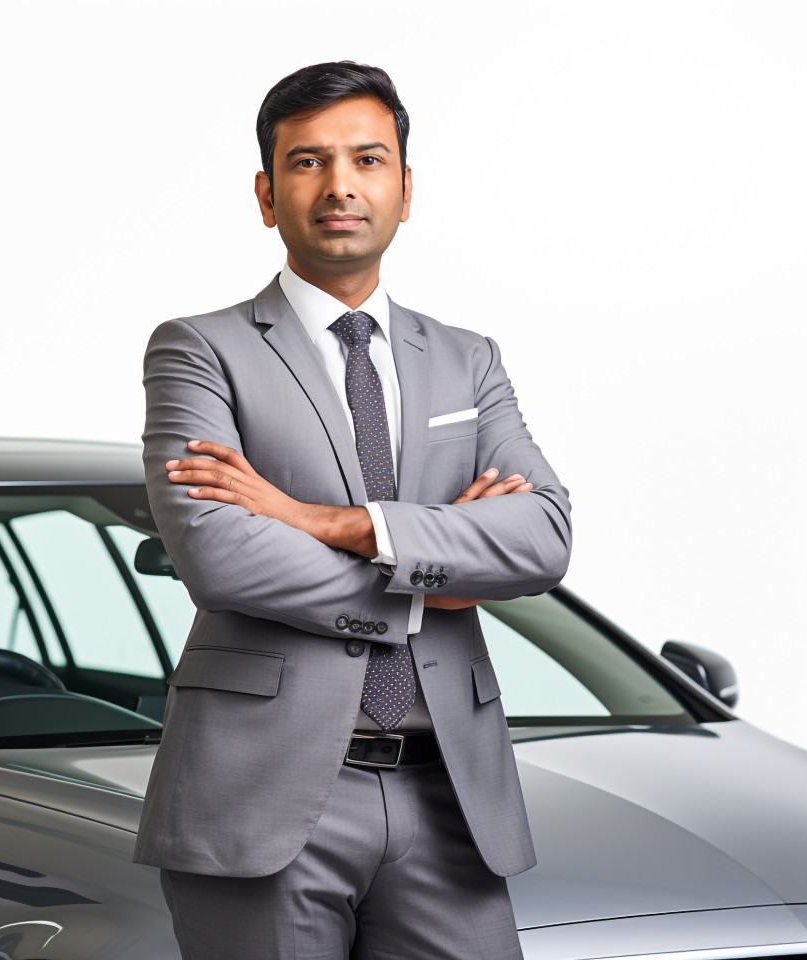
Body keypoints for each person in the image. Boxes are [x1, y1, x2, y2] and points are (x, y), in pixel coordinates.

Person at [132, 61, 572, 960]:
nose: (340, 186)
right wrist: (433, 574)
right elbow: (220, 556)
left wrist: (321, 518)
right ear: (267, 193)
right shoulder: (198, 351)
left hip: (450, 792)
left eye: (368, 160)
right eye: (307, 162)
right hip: (262, 792)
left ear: (405, 190)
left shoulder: (467, 360)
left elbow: (543, 537)